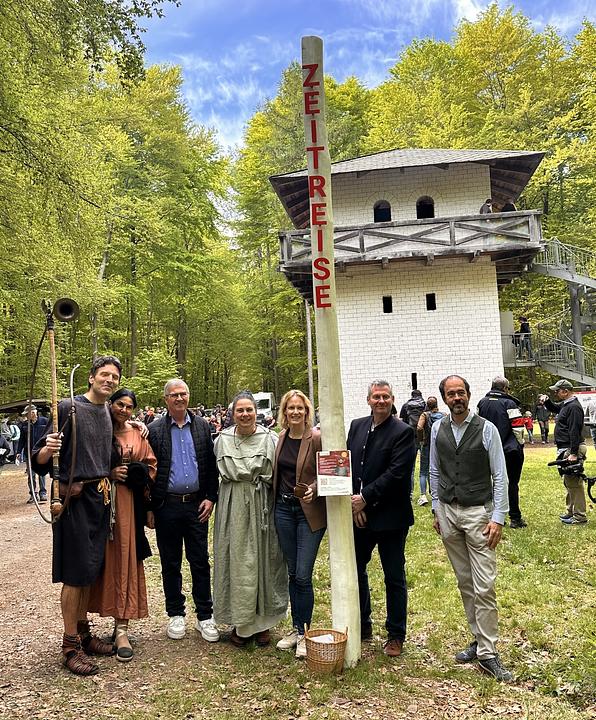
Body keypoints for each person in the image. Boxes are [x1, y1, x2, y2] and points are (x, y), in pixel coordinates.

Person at [32, 355, 123, 676]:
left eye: (114, 377)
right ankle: (70, 646)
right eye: (104, 374)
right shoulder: (68, 408)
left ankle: (83, 634)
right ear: (91, 377)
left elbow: (109, 453)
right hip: (73, 502)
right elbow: (40, 458)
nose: (109, 380)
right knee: (74, 573)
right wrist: (49, 449)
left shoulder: (107, 412)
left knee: (89, 570)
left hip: (100, 498)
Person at [430, 375, 512, 682]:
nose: (457, 398)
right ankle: (478, 639)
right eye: (451, 394)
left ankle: (488, 653)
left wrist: (498, 518)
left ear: (468, 394)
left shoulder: (487, 429)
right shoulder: (437, 428)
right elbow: (434, 470)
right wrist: (436, 508)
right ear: (444, 398)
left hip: (479, 513)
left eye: (461, 392)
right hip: (448, 512)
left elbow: (500, 476)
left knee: (484, 584)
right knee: (465, 582)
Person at [213, 391, 287, 648]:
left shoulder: (270, 439)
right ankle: (241, 622)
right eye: (240, 410)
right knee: (236, 562)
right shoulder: (221, 440)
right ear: (232, 414)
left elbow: (283, 472)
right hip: (232, 505)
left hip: (261, 504)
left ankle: (263, 623)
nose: (245, 414)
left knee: (265, 560)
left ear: (257, 412)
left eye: (249, 410)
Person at [347, 380, 416, 657]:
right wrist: (356, 504)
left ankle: (396, 634)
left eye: (385, 396)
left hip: (391, 517)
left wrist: (366, 498)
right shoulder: (357, 426)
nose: (381, 401)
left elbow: (397, 474)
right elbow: (349, 466)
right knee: (355, 570)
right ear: (368, 400)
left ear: (392, 399)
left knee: (394, 576)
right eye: (376, 396)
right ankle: (363, 623)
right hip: (360, 516)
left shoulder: (403, 432)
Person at [148, 379, 220, 642]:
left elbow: (210, 465)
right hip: (167, 505)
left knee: (199, 560)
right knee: (170, 562)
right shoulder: (154, 430)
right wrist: (150, 507)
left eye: (183, 394)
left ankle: (205, 615)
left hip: (196, 505)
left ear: (188, 396)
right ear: (166, 399)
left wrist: (210, 497)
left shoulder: (202, 426)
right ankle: (176, 614)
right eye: (174, 395)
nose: (179, 398)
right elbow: (150, 471)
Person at [88, 389, 157, 662]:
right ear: (110, 403)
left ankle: (121, 629)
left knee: (125, 559)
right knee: (97, 561)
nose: (124, 410)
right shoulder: (98, 428)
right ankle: (82, 628)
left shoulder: (138, 433)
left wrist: (137, 475)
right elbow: (84, 462)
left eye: (129, 407)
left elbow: (152, 467)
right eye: (120, 404)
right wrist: (109, 472)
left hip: (127, 506)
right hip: (98, 504)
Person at [273, 389, 326, 659]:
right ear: (284, 412)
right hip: (283, 510)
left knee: (304, 575)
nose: (295, 412)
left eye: (300, 408)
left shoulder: (315, 438)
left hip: (308, 513)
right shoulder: (281, 437)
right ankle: (296, 629)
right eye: (290, 408)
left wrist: (314, 489)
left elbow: (327, 471)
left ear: (307, 411)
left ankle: (305, 633)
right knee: (293, 573)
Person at [477, 377, 527, 529]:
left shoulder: (482, 403)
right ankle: (515, 518)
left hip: (487, 450)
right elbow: (518, 428)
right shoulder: (510, 404)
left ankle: (495, 517)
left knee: (491, 483)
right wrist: (520, 444)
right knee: (512, 483)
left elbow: (477, 426)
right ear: (505, 388)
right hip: (510, 450)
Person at [540, 380, 588, 525]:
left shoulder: (573, 407)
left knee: (574, 484)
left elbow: (574, 430)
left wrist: (573, 453)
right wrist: (547, 401)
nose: (555, 393)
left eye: (557, 391)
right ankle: (571, 512)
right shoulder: (567, 404)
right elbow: (556, 408)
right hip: (566, 448)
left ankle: (579, 516)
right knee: (569, 482)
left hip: (571, 448)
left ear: (565, 391)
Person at [416, 396, 445, 506]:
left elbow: (419, 427)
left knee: (423, 471)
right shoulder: (444, 415)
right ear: (437, 404)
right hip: (440, 446)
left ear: (427, 405)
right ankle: (438, 494)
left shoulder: (425, 415)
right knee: (439, 470)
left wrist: (421, 440)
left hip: (427, 445)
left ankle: (423, 496)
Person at [18, 405, 49, 503]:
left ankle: (43, 493)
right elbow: (21, 440)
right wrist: (18, 452)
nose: (26, 416)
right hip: (29, 453)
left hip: (41, 453)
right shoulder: (25, 424)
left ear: (32, 413)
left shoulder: (45, 421)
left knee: (41, 473)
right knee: (31, 475)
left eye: (27, 414)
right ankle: (33, 494)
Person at [399, 389, 426, 492]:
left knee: (411, 468)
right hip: (423, 439)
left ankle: (410, 493)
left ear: (411, 396)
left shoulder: (406, 406)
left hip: (410, 439)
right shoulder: (424, 405)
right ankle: (425, 494)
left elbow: (401, 423)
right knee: (425, 468)